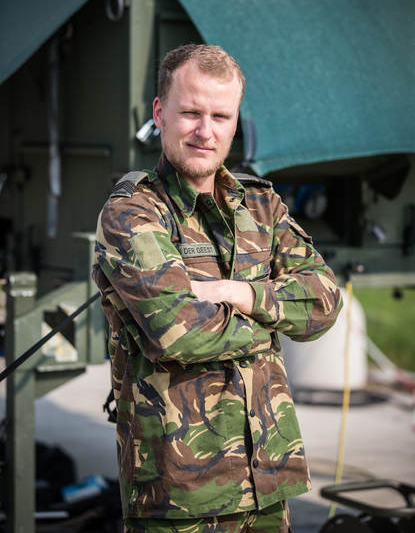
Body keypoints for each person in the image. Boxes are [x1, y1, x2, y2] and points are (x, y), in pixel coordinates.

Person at [92, 44, 342, 533]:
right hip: (179, 493)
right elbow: (180, 333)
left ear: (235, 122)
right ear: (160, 113)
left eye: (221, 116)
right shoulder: (133, 213)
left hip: (269, 477)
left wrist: (243, 295)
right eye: (191, 113)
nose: (205, 131)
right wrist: (274, 321)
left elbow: (325, 300)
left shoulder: (262, 207)